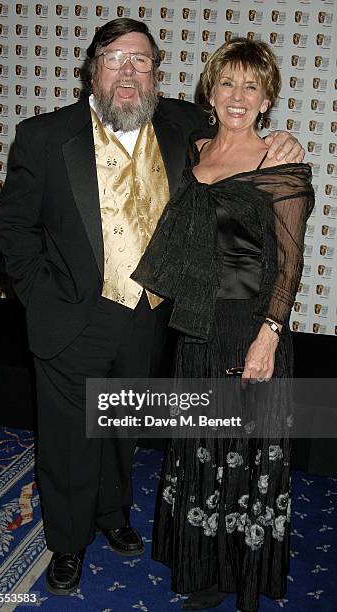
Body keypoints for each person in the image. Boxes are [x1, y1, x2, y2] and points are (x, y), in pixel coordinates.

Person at [0, 19, 304, 598]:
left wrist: (281, 138)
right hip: (70, 314)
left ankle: (112, 515)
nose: (129, 73)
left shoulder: (183, 127)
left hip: (150, 316)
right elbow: (12, 230)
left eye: (142, 62)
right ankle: (67, 542)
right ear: (94, 68)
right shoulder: (43, 135)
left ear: (157, 73)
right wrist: (39, 295)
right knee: (68, 437)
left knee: (120, 428)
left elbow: (241, 134)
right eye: (116, 60)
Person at [132, 38, 314, 612]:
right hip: (195, 326)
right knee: (199, 447)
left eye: (251, 87)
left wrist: (269, 336)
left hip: (251, 328)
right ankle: (205, 571)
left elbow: (289, 263)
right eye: (228, 83)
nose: (238, 96)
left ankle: (246, 576)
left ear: (267, 100)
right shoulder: (195, 148)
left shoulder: (279, 160)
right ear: (211, 91)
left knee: (245, 448)